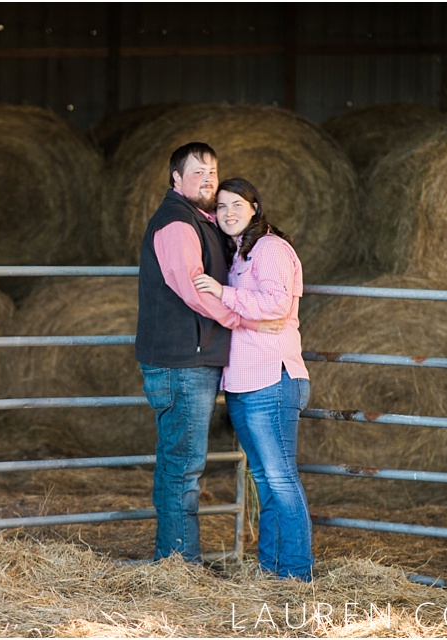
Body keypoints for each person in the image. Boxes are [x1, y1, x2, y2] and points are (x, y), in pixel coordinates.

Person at [135, 143, 281, 563]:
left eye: (213, 173)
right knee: (182, 466)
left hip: (194, 356)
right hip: (182, 360)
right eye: (197, 173)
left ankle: (176, 559)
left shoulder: (204, 221)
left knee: (182, 463)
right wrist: (241, 318)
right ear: (176, 180)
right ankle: (179, 564)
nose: (207, 181)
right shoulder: (178, 223)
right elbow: (192, 286)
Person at [193, 176, 313, 581]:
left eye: (236, 205)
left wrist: (224, 294)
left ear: (255, 208)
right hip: (244, 383)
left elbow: (278, 304)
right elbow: (255, 312)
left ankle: (296, 573)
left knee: (280, 479)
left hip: (272, 379)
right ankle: (270, 569)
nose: (228, 213)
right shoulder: (239, 255)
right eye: (221, 207)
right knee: (264, 479)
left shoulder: (271, 248)